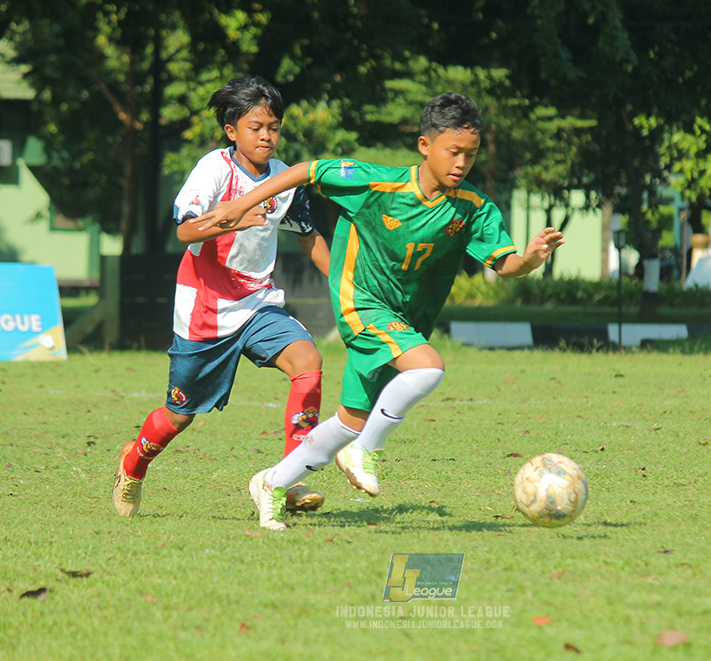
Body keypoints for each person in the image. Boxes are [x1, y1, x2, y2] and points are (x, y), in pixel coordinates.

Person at [193, 92, 563, 529]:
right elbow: (307, 170)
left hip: (405, 321)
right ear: (425, 146)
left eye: (471, 154)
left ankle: (272, 483)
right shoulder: (376, 184)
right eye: (453, 152)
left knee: (348, 422)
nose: (462, 163)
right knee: (428, 368)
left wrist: (533, 259)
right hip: (360, 301)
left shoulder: (474, 208)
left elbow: (506, 266)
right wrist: (241, 203)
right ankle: (366, 450)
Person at [112, 75, 331, 518]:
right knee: (180, 415)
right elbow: (185, 230)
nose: (267, 135)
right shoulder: (214, 168)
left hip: (259, 302)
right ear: (232, 131)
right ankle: (133, 463)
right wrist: (234, 219)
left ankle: (286, 479)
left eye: (274, 126)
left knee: (308, 361)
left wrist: (350, 285)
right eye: (256, 127)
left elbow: (308, 237)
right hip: (206, 309)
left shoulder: (286, 178)